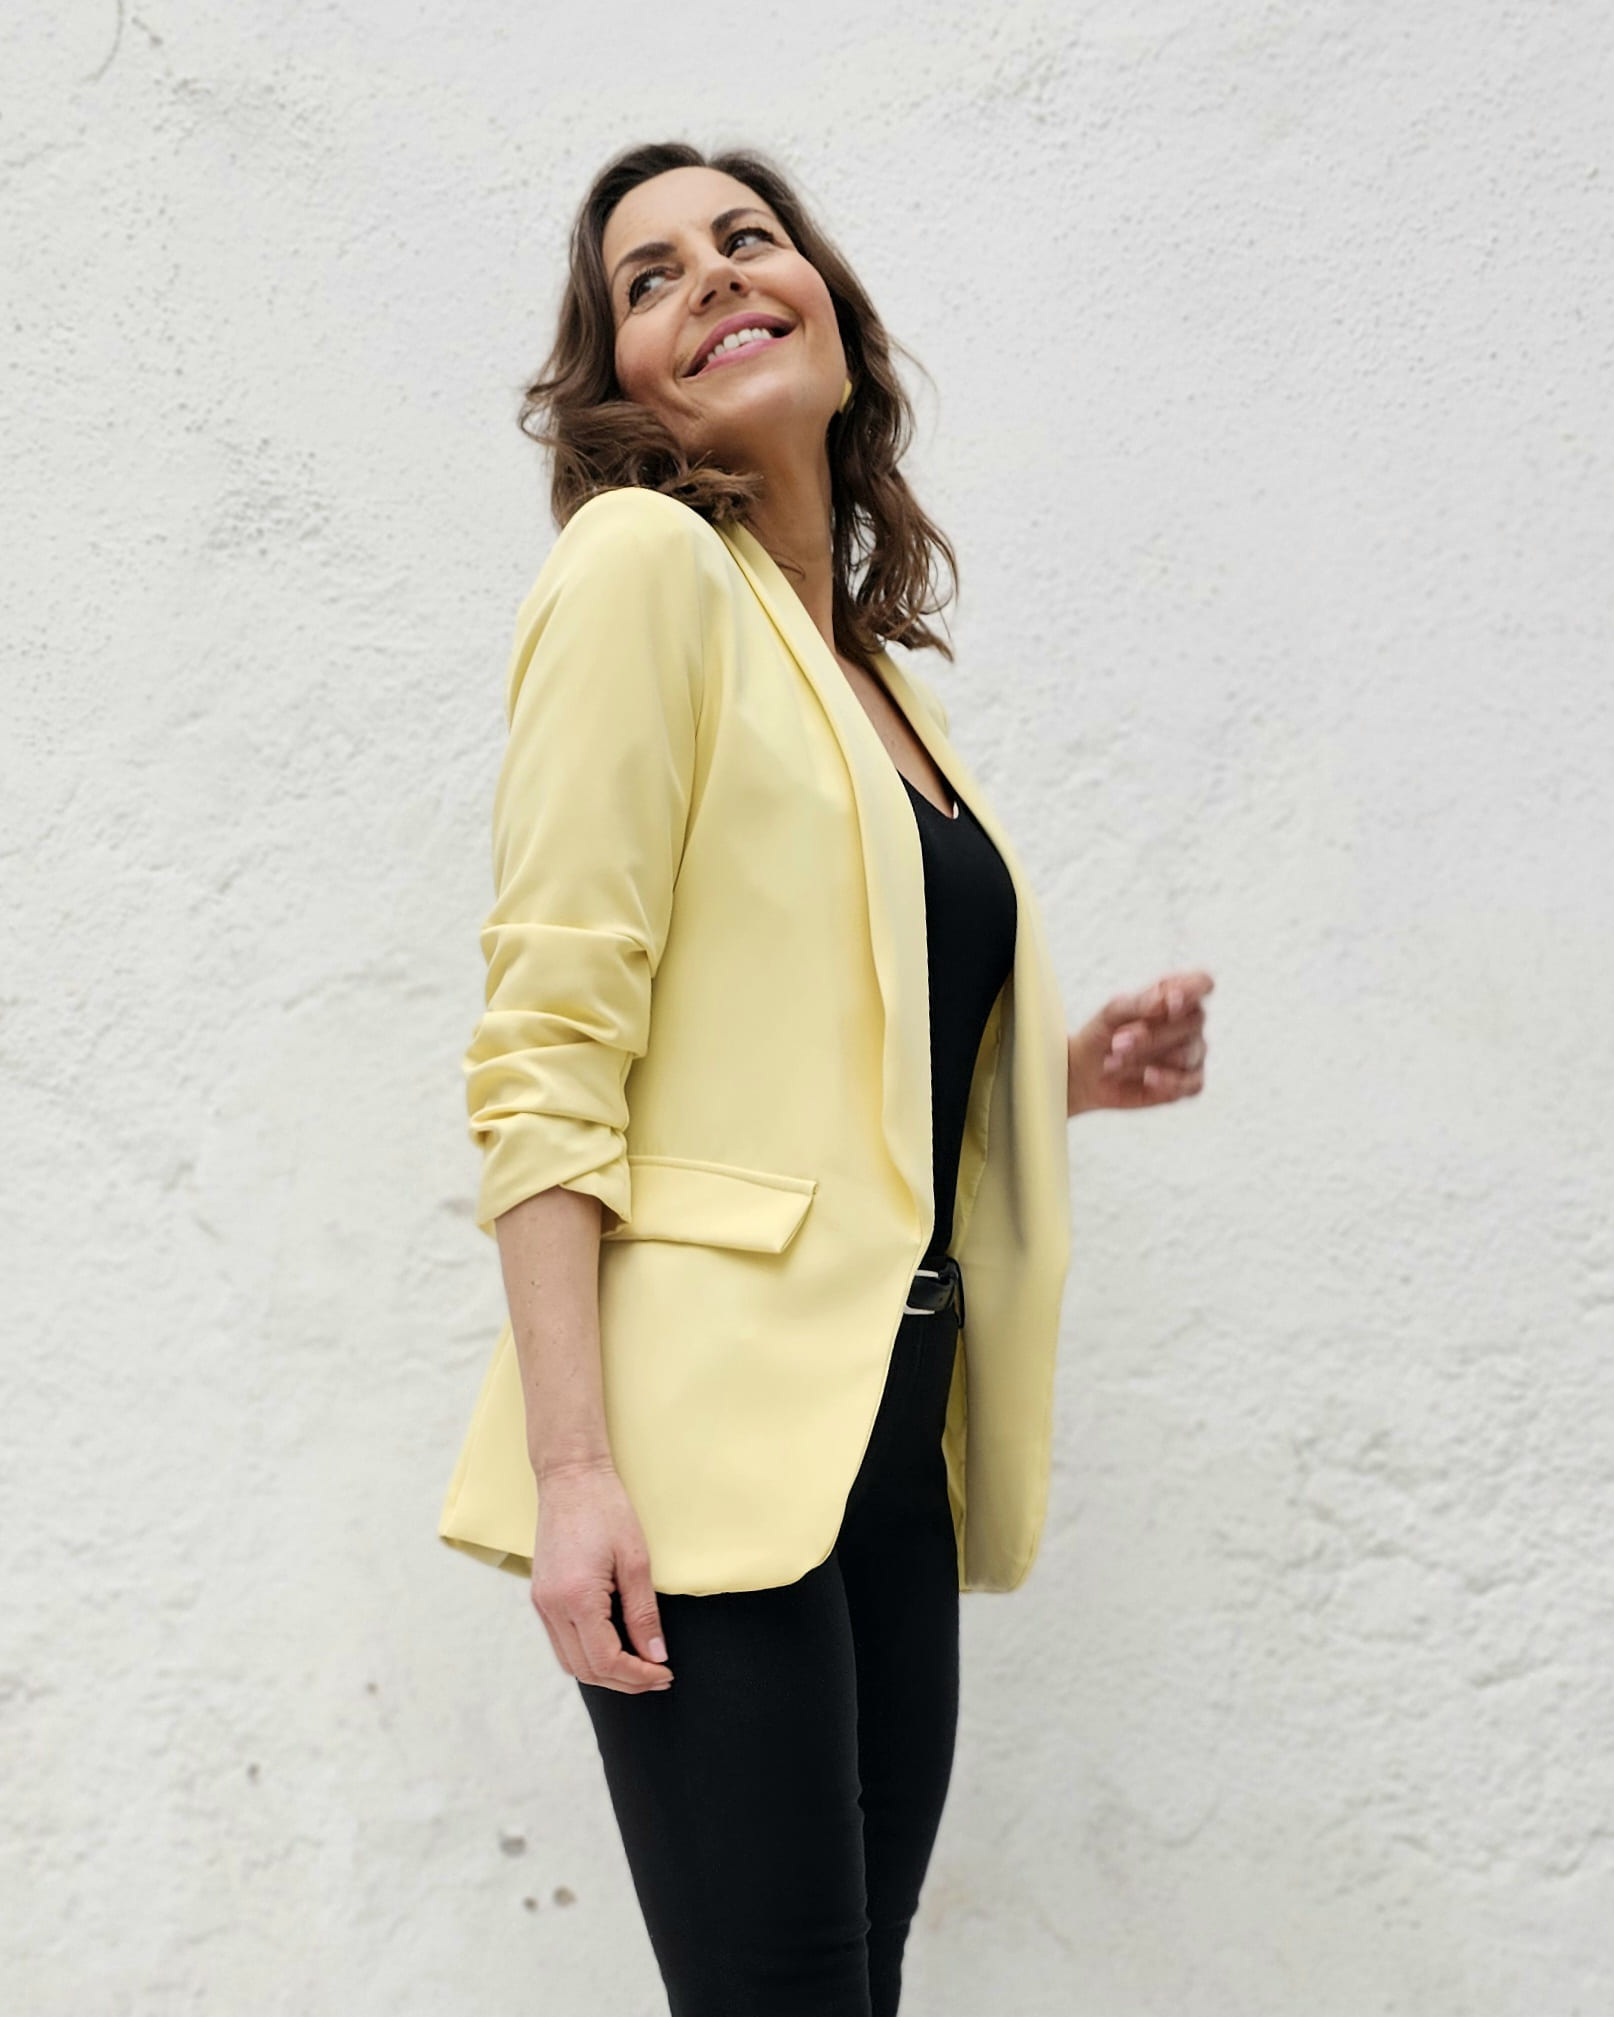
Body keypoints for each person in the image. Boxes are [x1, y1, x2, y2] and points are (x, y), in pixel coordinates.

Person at [439, 138, 1214, 2016]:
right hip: (702, 1443)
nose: (710, 274)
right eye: (647, 278)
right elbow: (549, 1041)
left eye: (745, 239)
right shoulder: (642, 568)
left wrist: (1054, 1079)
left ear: (832, 320)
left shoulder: (873, 681)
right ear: (622, 383)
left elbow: (808, 1038)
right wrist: (572, 1469)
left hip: (889, 1441)